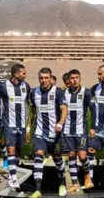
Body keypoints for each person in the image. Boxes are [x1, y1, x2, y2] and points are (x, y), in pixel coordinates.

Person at [0, 63, 31, 191]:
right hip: (8, 124)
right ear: (16, 74)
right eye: (23, 73)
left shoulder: (26, 87)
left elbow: (29, 106)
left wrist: (28, 126)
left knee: (18, 151)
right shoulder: (2, 85)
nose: (25, 75)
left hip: (21, 125)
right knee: (11, 150)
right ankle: (14, 177)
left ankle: (12, 176)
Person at [29, 68, 68, 198]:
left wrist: (60, 123)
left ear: (50, 77)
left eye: (46, 77)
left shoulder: (58, 92)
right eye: (41, 78)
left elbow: (64, 109)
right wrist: (29, 128)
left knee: (57, 159)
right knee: (38, 156)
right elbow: (32, 112)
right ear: (38, 78)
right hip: (39, 132)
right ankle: (38, 190)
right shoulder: (34, 92)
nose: (44, 80)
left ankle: (62, 182)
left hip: (55, 133)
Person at [63, 69, 94, 192]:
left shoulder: (86, 92)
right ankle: (74, 183)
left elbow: (94, 110)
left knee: (82, 157)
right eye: (72, 78)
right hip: (67, 130)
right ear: (68, 80)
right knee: (71, 155)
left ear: (80, 79)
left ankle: (87, 174)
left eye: (76, 77)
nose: (74, 80)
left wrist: (93, 128)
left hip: (81, 129)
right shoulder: (64, 93)